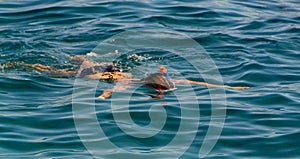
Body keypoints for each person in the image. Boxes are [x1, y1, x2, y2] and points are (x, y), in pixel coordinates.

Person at [6, 55, 250, 99]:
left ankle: (79, 56)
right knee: (51, 72)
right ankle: (22, 64)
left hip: (111, 69)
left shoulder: (138, 80)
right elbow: (113, 90)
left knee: (88, 62)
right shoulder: (132, 84)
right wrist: (102, 97)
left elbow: (198, 82)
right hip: (96, 76)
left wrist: (231, 87)